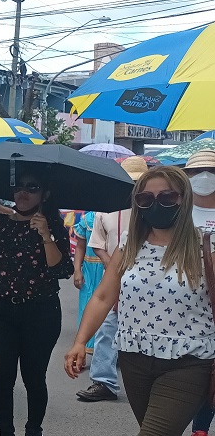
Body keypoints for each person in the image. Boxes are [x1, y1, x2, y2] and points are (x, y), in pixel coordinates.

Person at [65, 166, 211, 436]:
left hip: (189, 361)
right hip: (135, 357)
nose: (156, 206)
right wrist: (81, 342)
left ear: (183, 199)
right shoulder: (130, 245)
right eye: (146, 199)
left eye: (167, 198)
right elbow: (104, 295)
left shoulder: (205, 246)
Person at [0, 173, 73, 436]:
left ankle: (34, 433)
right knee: (1, 377)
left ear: (45, 194)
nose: (23, 193)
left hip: (40, 312)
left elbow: (61, 270)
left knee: (33, 376)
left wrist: (45, 235)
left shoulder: (54, 226)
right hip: (0, 311)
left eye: (33, 187)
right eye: (19, 187)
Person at [76, 157, 148, 403]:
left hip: (147, 279)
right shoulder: (103, 211)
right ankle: (104, 381)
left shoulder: (151, 208)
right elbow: (97, 245)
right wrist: (115, 270)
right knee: (107, 327)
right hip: (116, 274)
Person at [183, 150, 215, 436]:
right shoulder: (178, 214)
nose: (204, 177)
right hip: (184, 310)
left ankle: (201, 430)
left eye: (210, 170)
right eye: (197, 171)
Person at [73, 211, 103, 354]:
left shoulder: (117, 218)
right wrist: (77, 270)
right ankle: (83, 347)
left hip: (108, 269)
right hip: (89, 270)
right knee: (85, 306)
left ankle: (107, 350)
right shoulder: (88, 219)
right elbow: (80, 246)